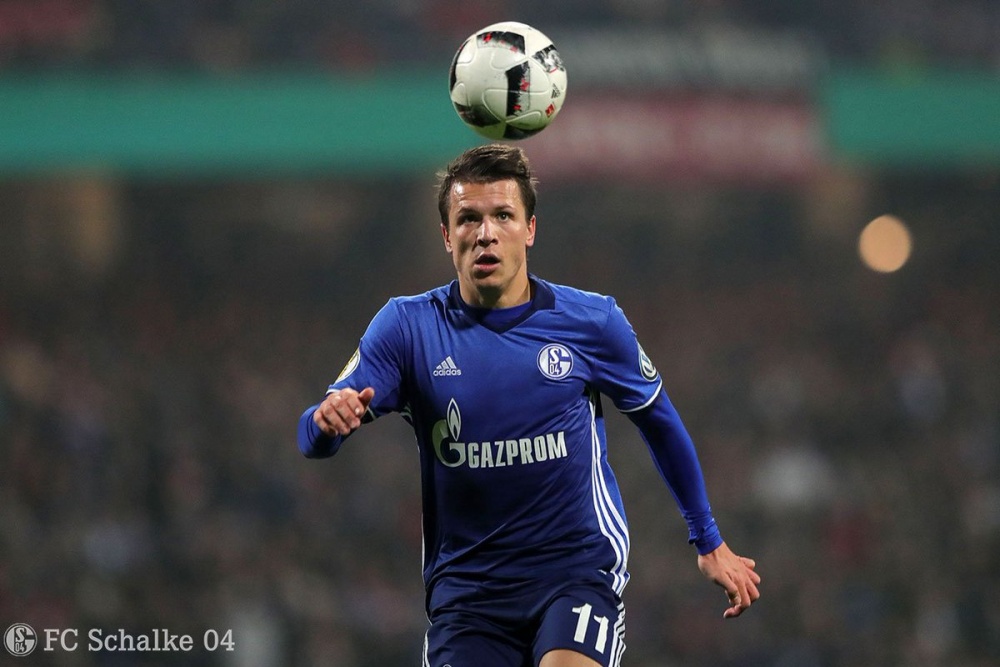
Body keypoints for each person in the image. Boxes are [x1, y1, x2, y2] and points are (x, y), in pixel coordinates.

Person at [297, 143, 760, 667]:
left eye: (503, 216)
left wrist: (708, 540)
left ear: (530, 229)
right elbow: (313, 437)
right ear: (447, 235)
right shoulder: (408, 329)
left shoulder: (592, 322)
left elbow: (660, 421)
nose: (485, 233)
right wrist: (326, 422)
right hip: (468, 595)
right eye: (468, 219)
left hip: (575, 572)